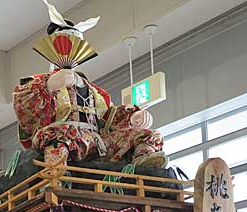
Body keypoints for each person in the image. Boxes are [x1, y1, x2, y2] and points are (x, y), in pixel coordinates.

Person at [12, 5, 168, 168]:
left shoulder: (95, 92)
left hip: (96, 142)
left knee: (148, 135)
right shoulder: (39, 84)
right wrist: (47, 86)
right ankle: (55, 172)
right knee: (59, 134)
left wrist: (133, 116)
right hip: (65, 139)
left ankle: (143, 168)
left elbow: (109, 117)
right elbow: (26, 114)